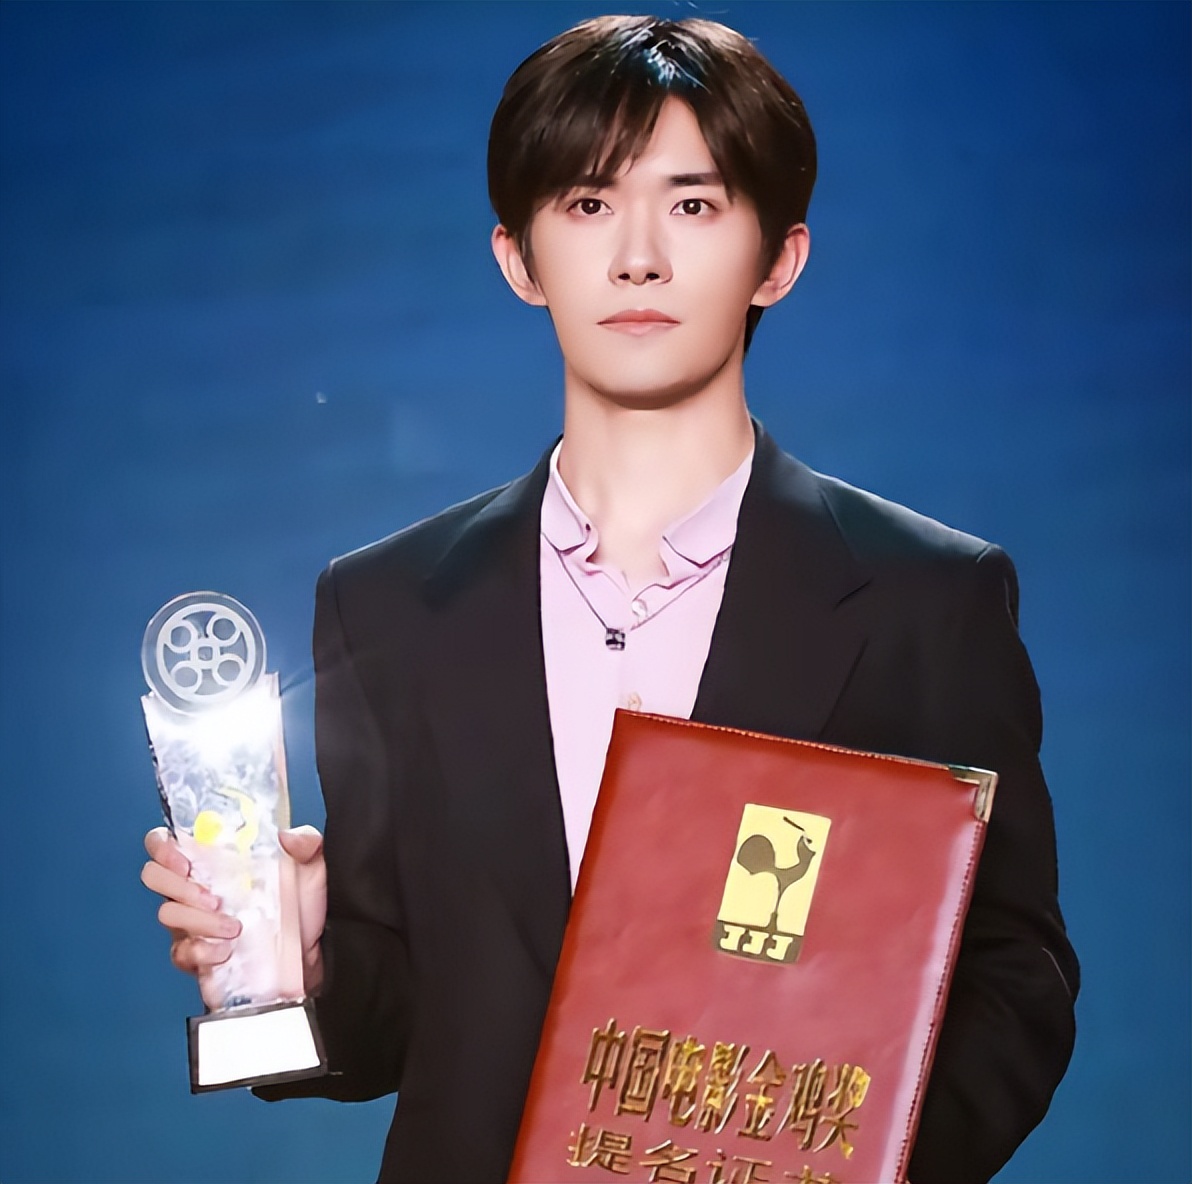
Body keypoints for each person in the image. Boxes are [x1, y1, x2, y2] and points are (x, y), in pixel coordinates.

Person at [142, 15, 1078, 1184]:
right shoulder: (387, 606)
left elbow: (1014, 980)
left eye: (692, 203)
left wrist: (837, 1161)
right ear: (518, 258)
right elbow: (400, 1018)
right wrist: (304, 963)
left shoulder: (925, 598)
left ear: (778, 258)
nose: (638, 257)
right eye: (587, 203)